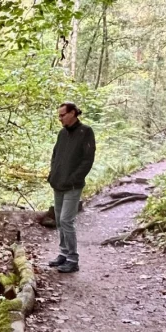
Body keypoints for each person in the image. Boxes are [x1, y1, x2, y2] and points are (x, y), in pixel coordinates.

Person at [47, 102, 96, 273]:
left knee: (66, 221)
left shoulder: (86, 132)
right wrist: (53, 174)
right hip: (58, 183)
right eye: (59, 115)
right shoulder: (62, 134)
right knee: (60, 220)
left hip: (73, 186)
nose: (60, 118)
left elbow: (88, 160)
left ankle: (73, 259)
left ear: (73, 113)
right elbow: (55, 156)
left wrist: (74, 178)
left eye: (63, 115)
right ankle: (63, 253)